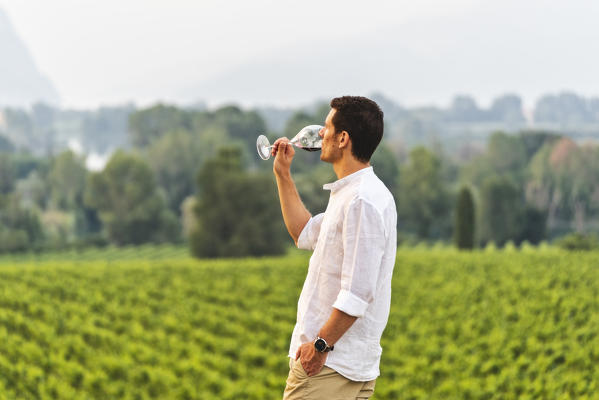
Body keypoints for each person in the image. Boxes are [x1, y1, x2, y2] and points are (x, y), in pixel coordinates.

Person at [272, 96, 397, 400]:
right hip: (343, 366)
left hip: (329, 367)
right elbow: (304, 232)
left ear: (343, 138)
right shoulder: (355, 194)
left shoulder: (361, 201)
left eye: (327, 127)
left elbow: (358, 291)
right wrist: (283, 174)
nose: (320, 134)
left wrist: (319, 347)